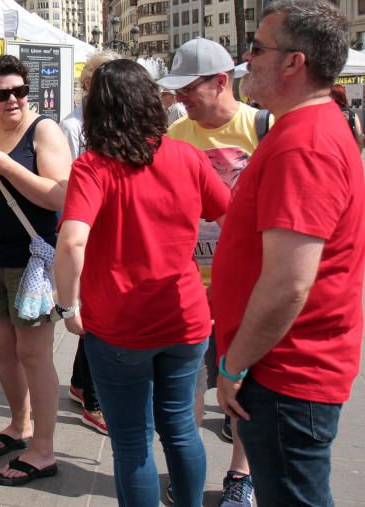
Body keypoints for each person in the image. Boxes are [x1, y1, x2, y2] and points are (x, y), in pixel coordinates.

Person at [54, 59, 231, 506]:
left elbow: (73, 241)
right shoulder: (187, 157)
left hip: (119, 323)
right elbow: (231, 218)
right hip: (185, 313)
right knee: (181, 428)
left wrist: (67, 306)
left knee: (132, 441)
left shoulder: (93, 167)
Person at [214, 0, 365, 506]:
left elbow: (288, 282)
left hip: (284, 375)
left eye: (257, 48)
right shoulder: (303, 131)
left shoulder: (305, 142)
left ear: (294, 62)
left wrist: (234, 366)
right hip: (285, 370)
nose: (246, 59)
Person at [0, 54, 71, 486]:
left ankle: (44, 448)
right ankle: (19, 425)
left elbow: (61, 195)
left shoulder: (43, 130)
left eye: (20, 91)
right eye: (3, 94)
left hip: (33, 262)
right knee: (2, 348)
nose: (14, 101)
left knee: (33, 353)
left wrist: (10, 167)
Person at [158, 37, 260, 506]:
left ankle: (241, 476)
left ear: (221, 82)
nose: (180, 98)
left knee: (243, 389)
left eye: (189, 88)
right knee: (187, 388)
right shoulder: (177, 134)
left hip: (247, 286)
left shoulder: (262, 127)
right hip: (188, 284)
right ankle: (187, 468)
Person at [58, 49, 118, 437]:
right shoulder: (72, 126)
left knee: (95, 317)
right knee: (94, 317)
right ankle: (94, 399)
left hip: (106, 229)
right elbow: (67, 185)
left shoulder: (109, 122)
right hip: (86, 231)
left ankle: (82, 385)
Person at [330, 83, 364, 151]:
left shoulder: (326, 114)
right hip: (348, 153)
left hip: (331, 154)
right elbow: (360, 140)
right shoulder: (352, 115)